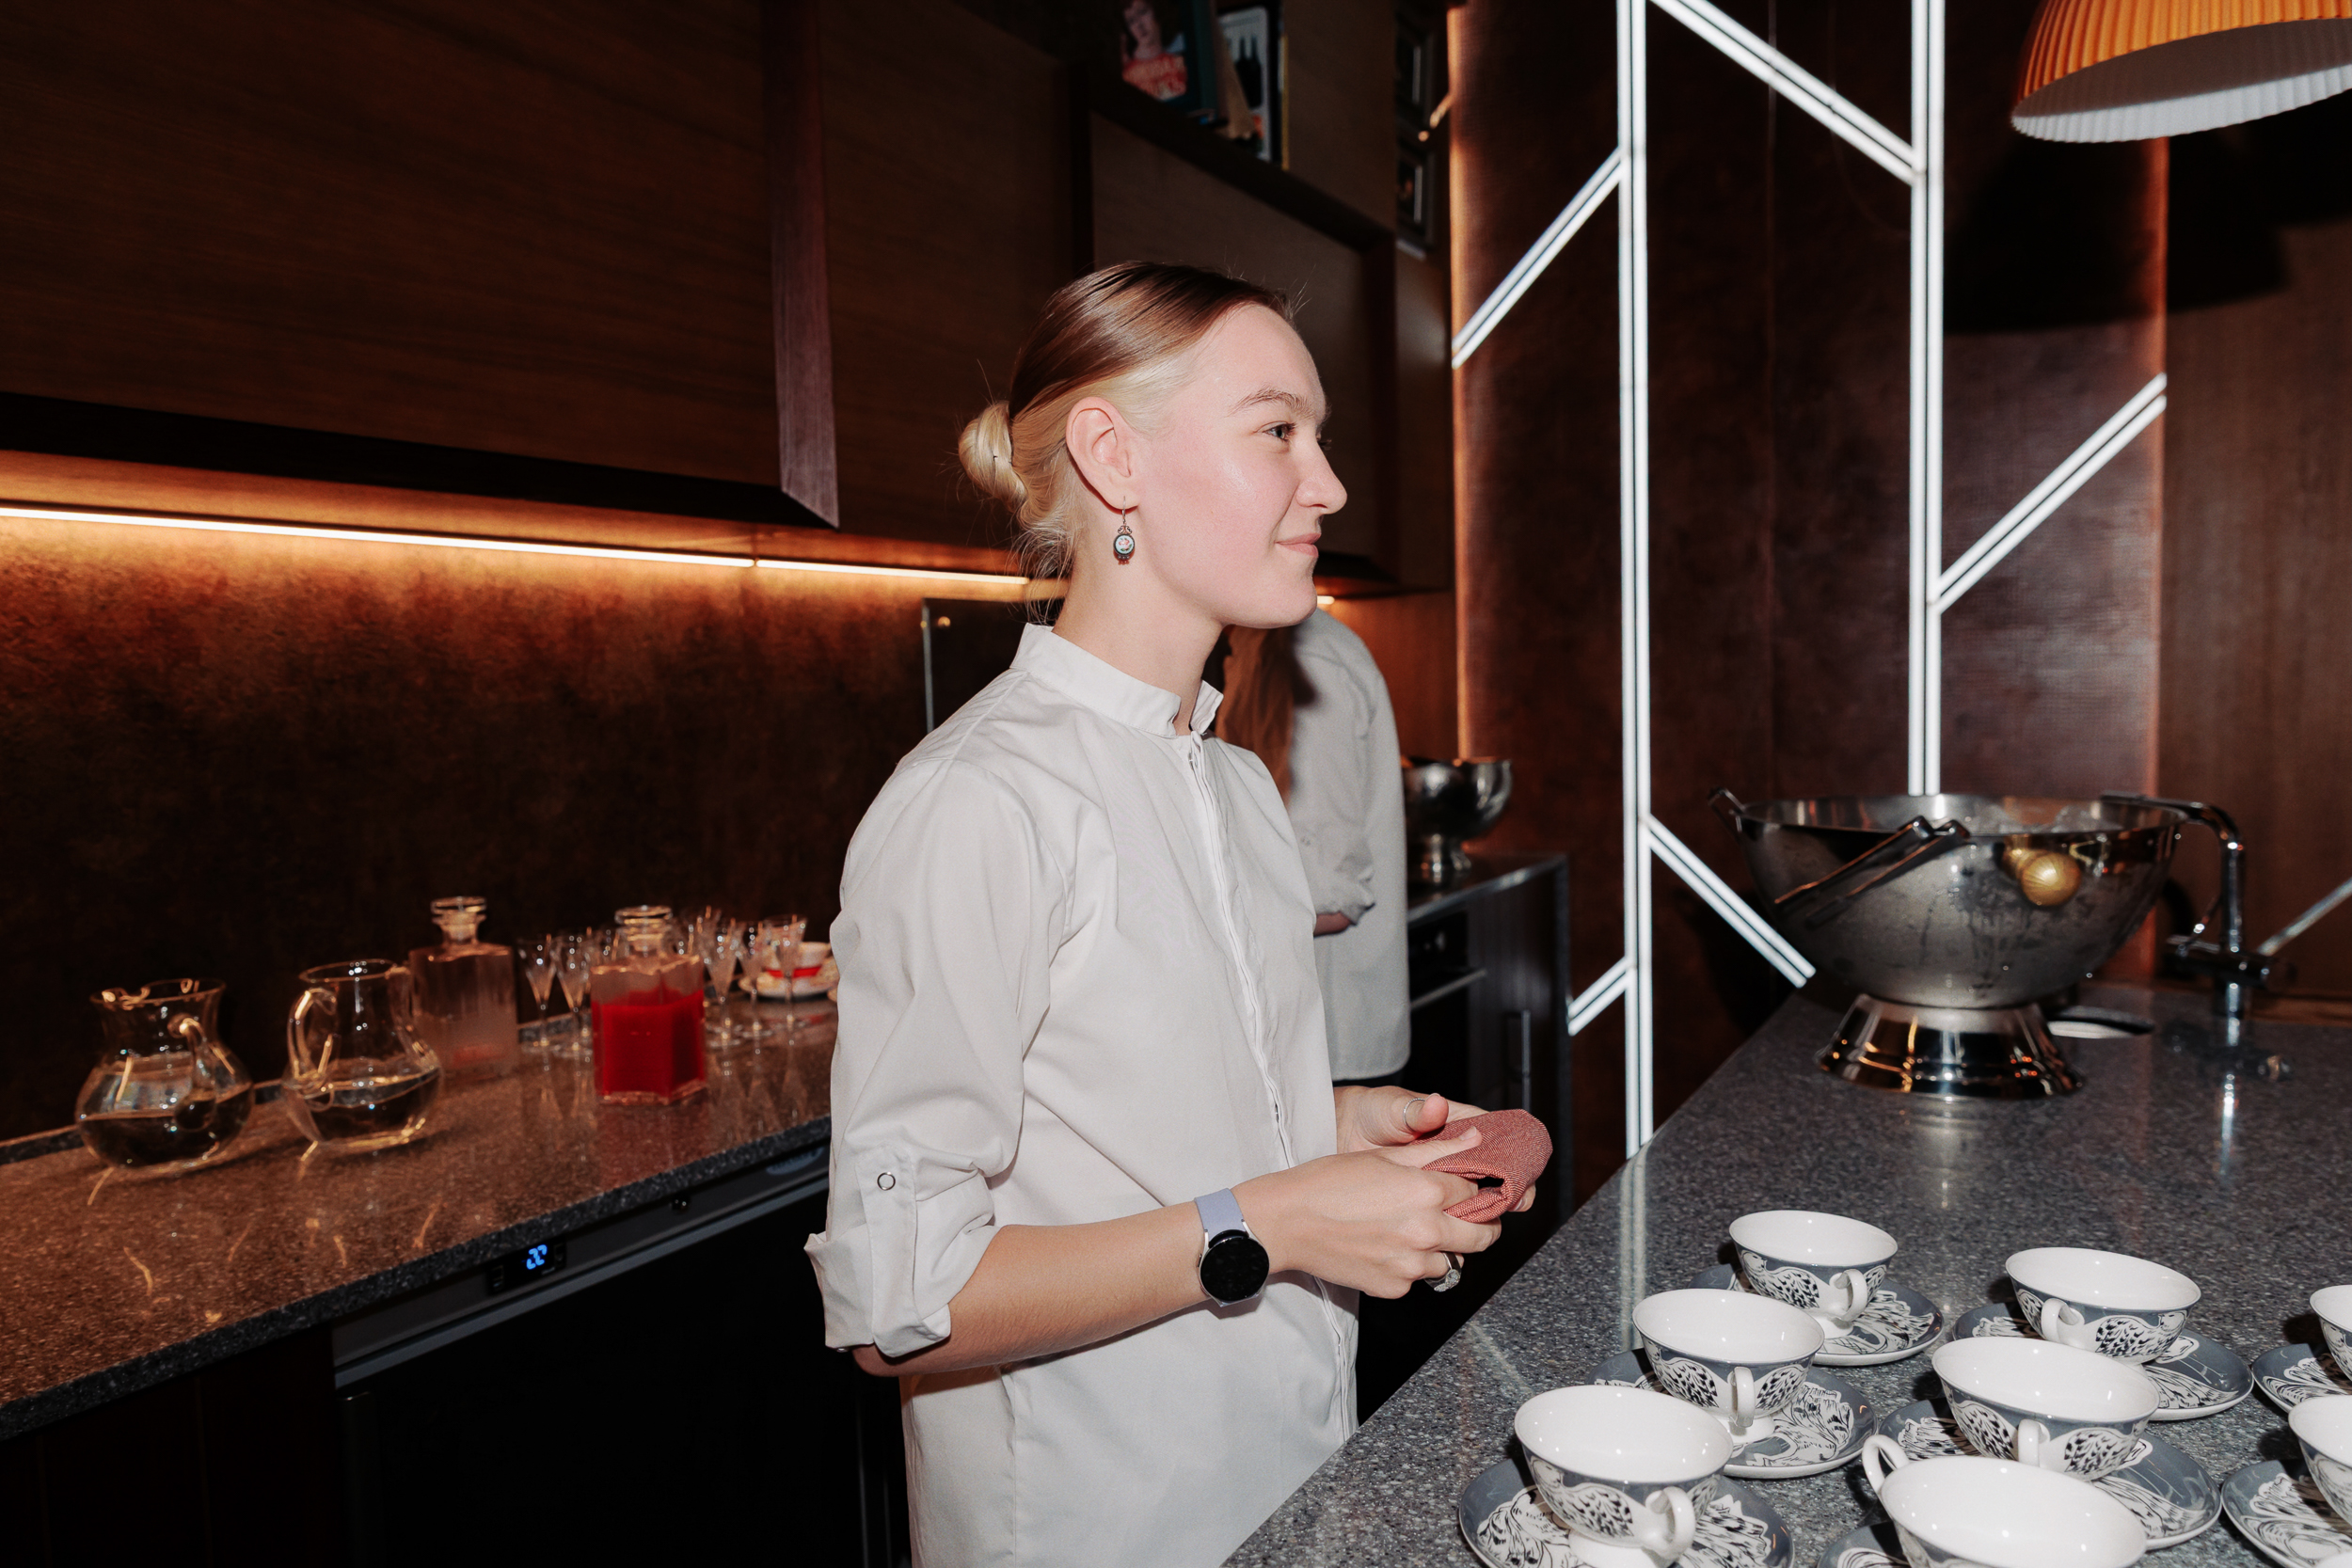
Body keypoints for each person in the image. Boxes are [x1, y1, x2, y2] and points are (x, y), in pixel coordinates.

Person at [804, 261, 1527, 1568]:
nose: (1329, 484)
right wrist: (1281, 1217)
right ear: (1113, 457)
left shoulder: (1237, 783)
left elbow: (1144, 1134)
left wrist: (1325, 1123)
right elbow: (903, 1299)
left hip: (1291, 1486)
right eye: (1277, 431)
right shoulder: (977, 803)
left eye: (1318, 435)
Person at [1221, 614, 1411, 1084]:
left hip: (1326, 1033)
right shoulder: (1265, 648)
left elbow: (1328, 899)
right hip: (1300, 1028)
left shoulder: (1310, 660)